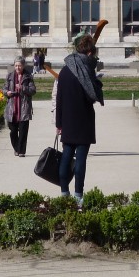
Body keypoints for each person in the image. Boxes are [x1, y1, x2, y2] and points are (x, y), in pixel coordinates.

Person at [55, 31, 104, 208]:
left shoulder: (65, 70)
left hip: (67, 120)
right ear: (89, 52)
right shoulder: (86, 70)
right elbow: (92, 95)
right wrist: (97, 82)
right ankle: (78, 195)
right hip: (83, 120)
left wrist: (58, 123)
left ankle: (63, 192)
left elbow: (59, 99)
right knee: (81, 159)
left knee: (66, 156)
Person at [4, 56, 36, 157]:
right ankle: (16, 148)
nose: (18, 67)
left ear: (23, 66)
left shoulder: (28, 76)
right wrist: (7, 92)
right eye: (16, 65)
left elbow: (33, 90)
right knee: (13, 131)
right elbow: (4, 89)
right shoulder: (9, 76)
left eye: (20, 65)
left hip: (23, 107)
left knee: (23, 132)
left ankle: (21, 151)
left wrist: (22, 87)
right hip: (12, 107)